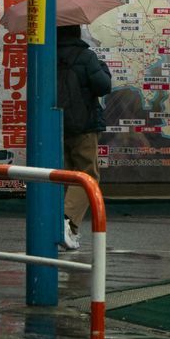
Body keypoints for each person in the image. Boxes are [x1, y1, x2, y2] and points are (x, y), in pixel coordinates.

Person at [57, 24, 112, 252]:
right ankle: (67, 222)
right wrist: (102, 67)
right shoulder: (85, 56)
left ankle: (68, 231)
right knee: (87, 175)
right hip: (84, 126)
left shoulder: (47, 54)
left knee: (66, 175)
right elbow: (103, 86)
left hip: (56, 125)